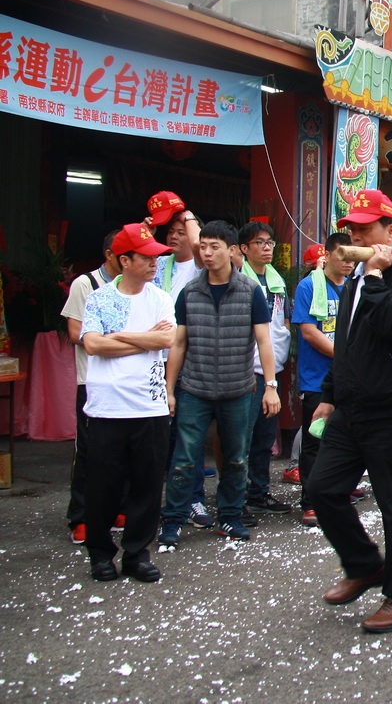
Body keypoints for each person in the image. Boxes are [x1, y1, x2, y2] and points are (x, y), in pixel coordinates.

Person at [307, 190, 392, 634]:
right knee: (321, 488)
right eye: (352, 228)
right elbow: (348, 345)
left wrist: (377, 275)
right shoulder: (356, 278)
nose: (355, 236)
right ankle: (364, 564)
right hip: (352, 407)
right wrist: (329, 391)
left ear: (389, 232)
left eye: (365, 228)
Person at [159, 220, 279, 546]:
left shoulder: (250, 291)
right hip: (194, 389)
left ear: (231, 250)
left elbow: (264, 342)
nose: (207, 252)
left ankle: (229, 517)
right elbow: (179, 343)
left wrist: (270, 385)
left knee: (236, 458)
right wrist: (169, 391)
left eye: (214, 246)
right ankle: (172, 521)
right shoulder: (189, 292)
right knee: (184, 458)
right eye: (203, 246)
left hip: (237, 389)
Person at [79, 223, 176, 582]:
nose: (155, 264)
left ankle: (137, 554)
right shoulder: (100, 298)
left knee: (147, 485)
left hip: (149, 405)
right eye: (147, 257)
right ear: (124, 260)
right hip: (107, 406)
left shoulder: (160, 298)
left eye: (156, 257)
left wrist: (119, 337)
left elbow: (166, 342)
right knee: (102, 485)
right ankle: (100, 554)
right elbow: (93, 345)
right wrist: (144, 338)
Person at [148, 193, 212, 527]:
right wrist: (147, 232)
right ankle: (162, 502)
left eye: (178, 229)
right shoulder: (159, 264)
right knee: (162, 437)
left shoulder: (202, 264)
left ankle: (194, 500)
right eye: (168, 230)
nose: (173, 236)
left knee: (191, 436)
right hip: (154, 359)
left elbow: (201, 247)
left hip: (189, 361)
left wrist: (185, 213)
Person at [61, 229, 121, 545]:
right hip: (92, 379)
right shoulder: (86, 284)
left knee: (123, 449)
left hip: (126, 380)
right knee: (88, 450)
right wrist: (123, 339)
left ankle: (118, 508)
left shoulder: (135, 287)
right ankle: (81, 516)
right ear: (110, 254)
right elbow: (76, 332)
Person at [292, 233, 353, 527]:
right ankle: (311, 501)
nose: (349, 263)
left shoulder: (354, 288)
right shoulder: (309, 286)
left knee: (346, 438)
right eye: (343, 256)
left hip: (349, 378)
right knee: (316, 438)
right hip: (317, 378)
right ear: (327, 255)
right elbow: (309, 332)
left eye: (353, 257)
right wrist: (345, 357)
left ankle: (337, 491)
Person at [238, 222, 293, 518]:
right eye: (260, 242)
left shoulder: (276, 280)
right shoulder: (238, 280)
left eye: (270, 242)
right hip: (246, 372)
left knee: (263, 437)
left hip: (273, 368)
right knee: (241, 438)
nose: (267, 247)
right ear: (244, 249)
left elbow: (282, 321)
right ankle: (235, 500)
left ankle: (258, 492)